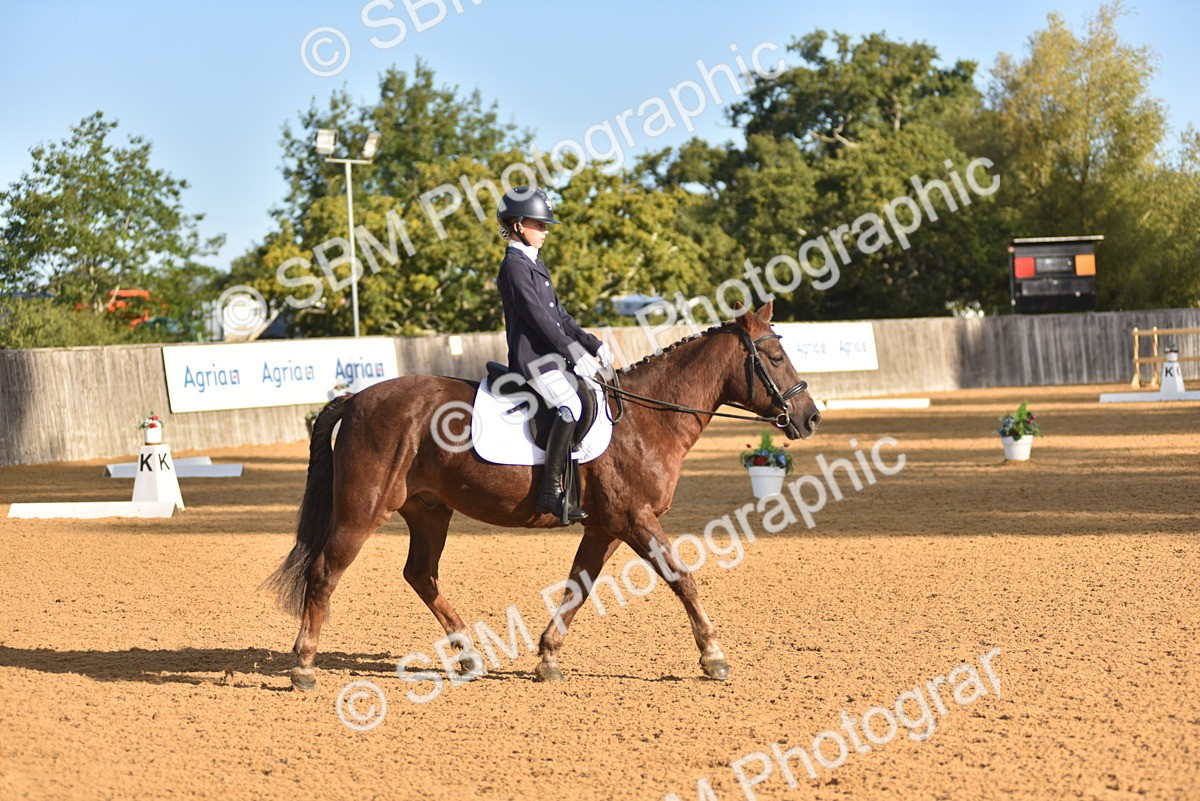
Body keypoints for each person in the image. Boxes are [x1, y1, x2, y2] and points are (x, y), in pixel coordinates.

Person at [495, 186, 612, 523]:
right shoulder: (514, 268)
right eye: (540, 225)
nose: (545, 232)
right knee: (570, 405)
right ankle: (550, 491)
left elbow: (561, 317)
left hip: (552, 359)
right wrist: (574, 353)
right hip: (532, 361)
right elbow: (541, 321)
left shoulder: (535, 265)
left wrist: (592, 344)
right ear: (518, 224)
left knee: (592, 396)